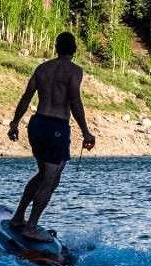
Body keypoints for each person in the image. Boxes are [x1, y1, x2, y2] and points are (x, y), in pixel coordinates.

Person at [6, 30, 95, 234]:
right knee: (51, 179)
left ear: (56, 48)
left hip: (37, 124)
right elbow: (74, 100)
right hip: (56, 127)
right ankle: (31, 227)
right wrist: (86, 132)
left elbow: (26, 97)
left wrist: (14, 123)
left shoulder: (42, 68)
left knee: (43, 174)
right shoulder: (74, 71)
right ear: (74, 49)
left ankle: (18, 217)